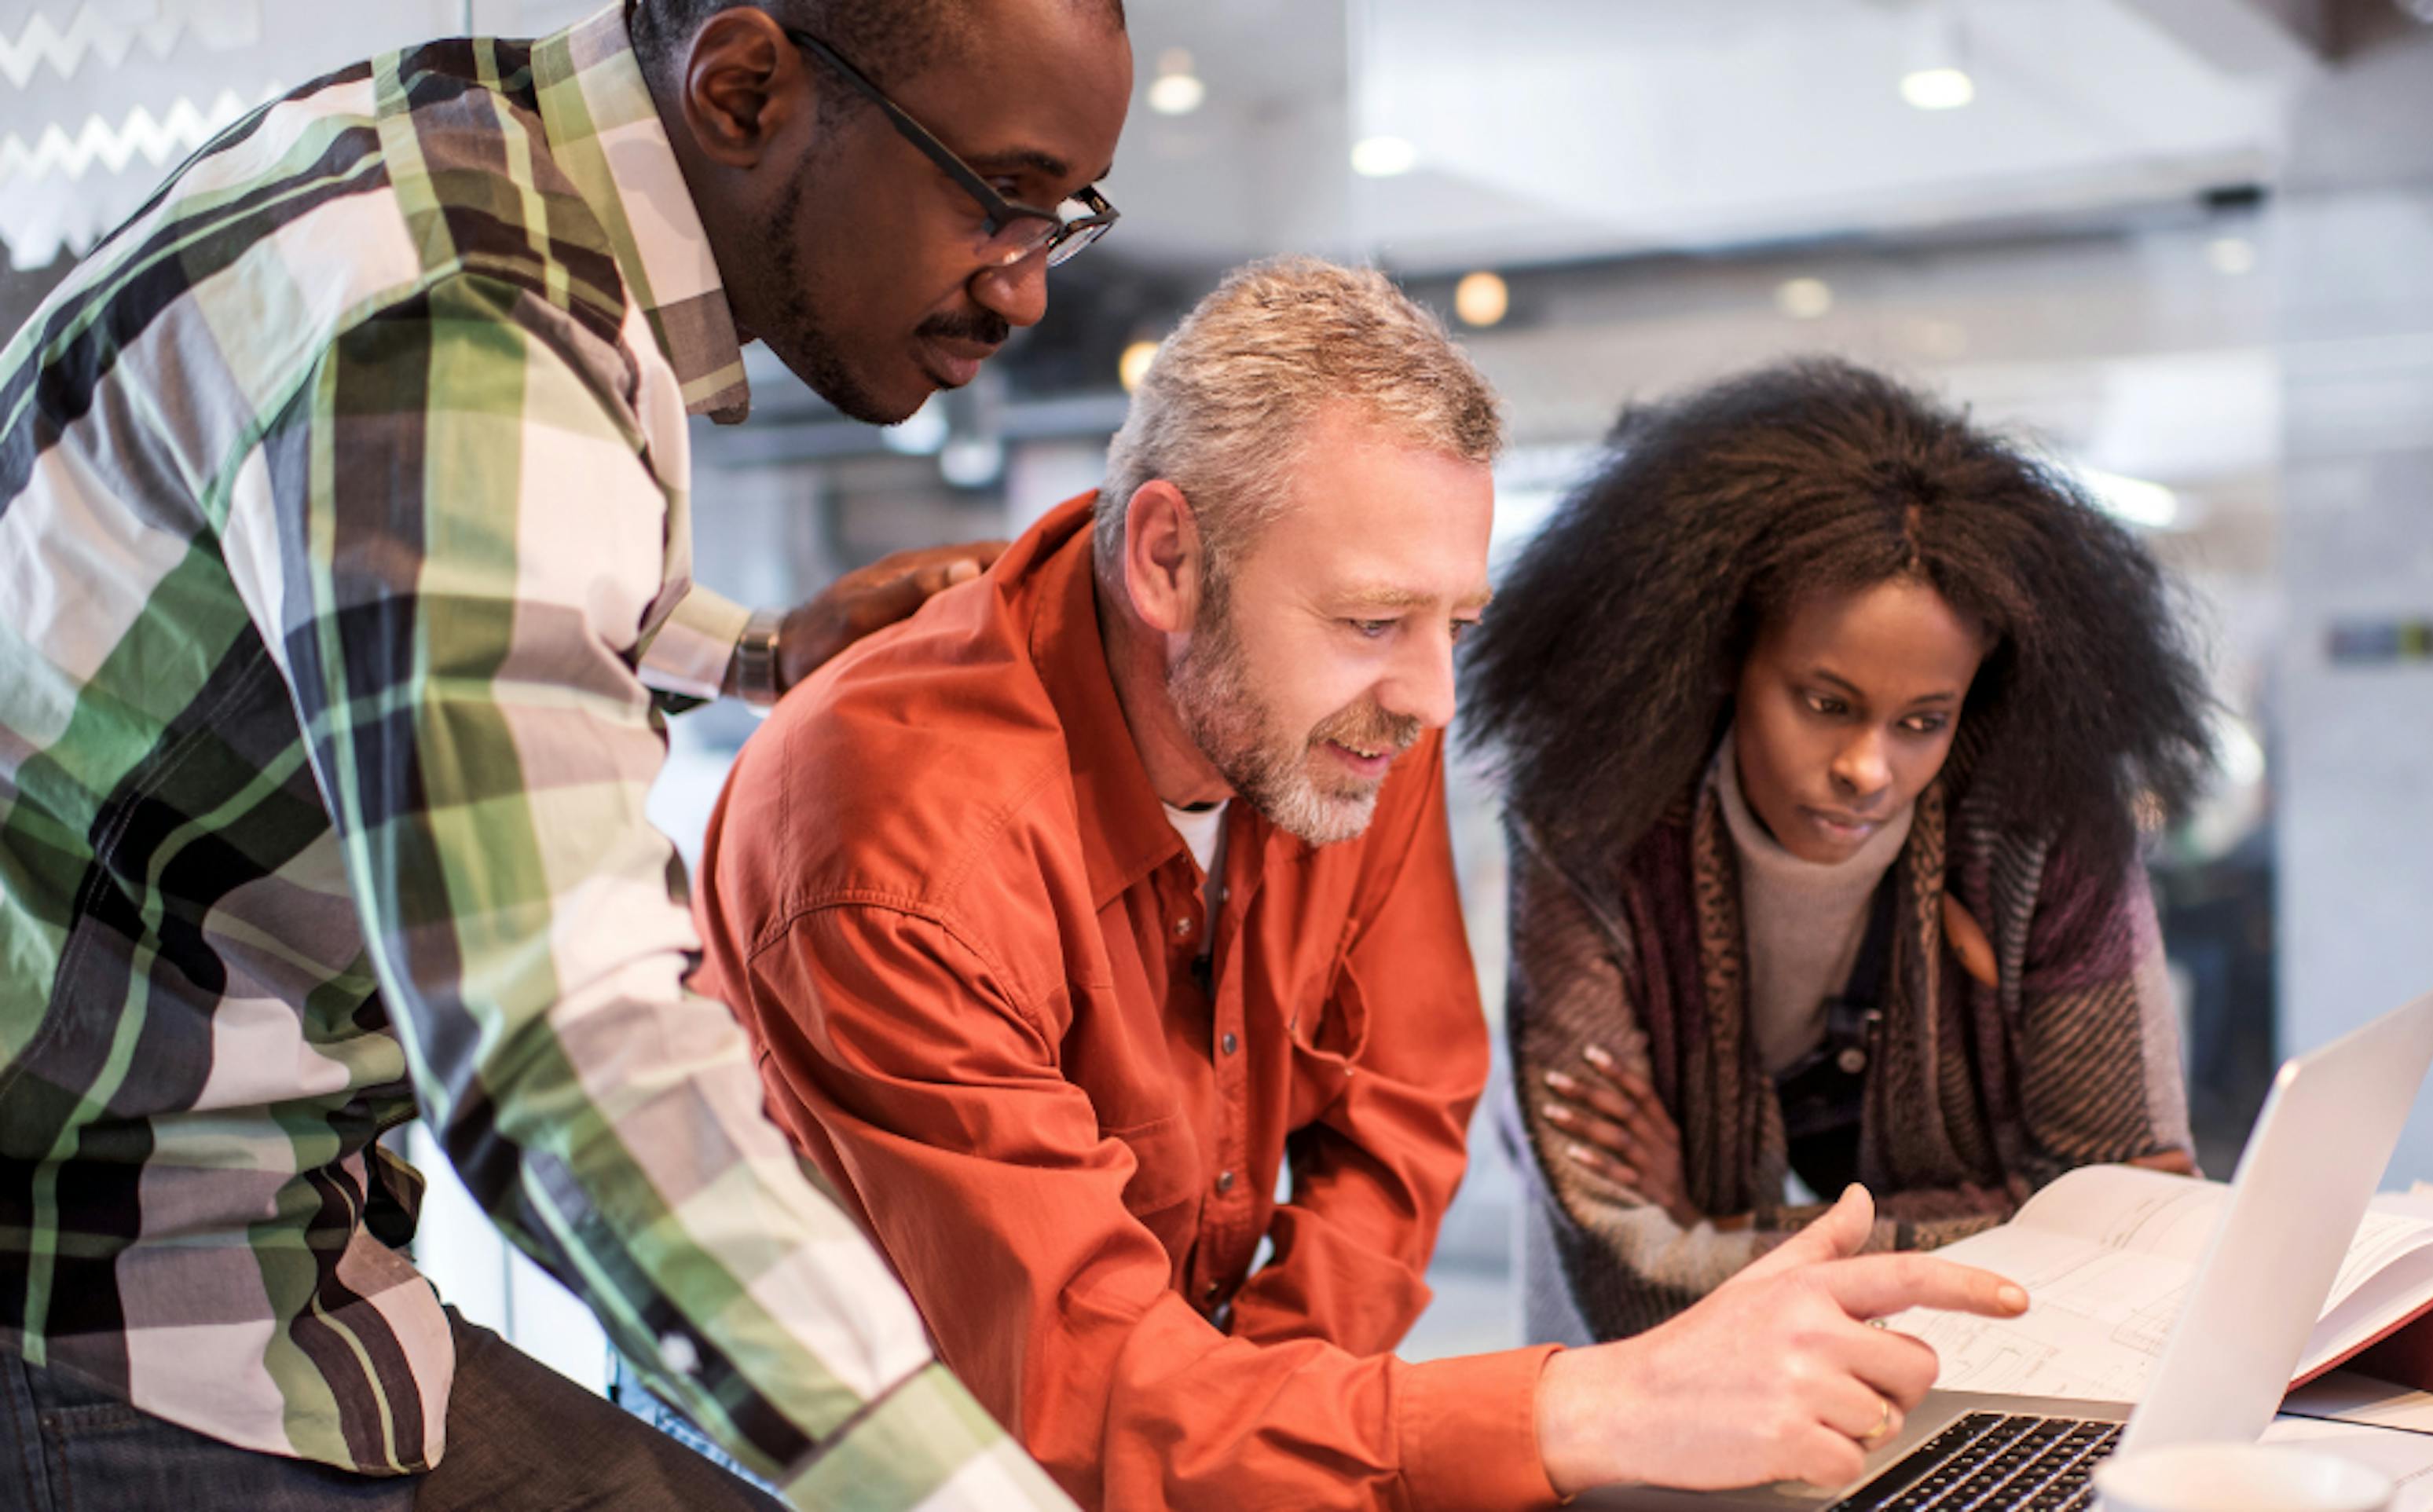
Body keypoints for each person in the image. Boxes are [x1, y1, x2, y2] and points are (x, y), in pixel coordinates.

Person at [0, 0, 1134, 1505]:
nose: (1026, 289)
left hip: (247, 1230)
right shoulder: (469, 322)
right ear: (741, 90)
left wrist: (755, 655)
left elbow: (384, 572)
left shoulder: (444, 149)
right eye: (999, 199)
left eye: (1063, 221)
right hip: (110, 1291)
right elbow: (569, 1058)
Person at [689, 258, 2029, 1510]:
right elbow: (1070, 1387)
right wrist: (1587, 1409)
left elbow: (1401, 1104)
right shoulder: (893, 851)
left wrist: (1261, 1427)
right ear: (1167, 561)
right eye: (1374, 622)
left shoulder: (1323, 717)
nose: (1431, 700)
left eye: (1454, 626)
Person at [1457, 359, 2214, 1343]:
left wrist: (1713, 1227)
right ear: (1727, 652)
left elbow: (2130, 1235)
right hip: (1660, 1405)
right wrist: (2018, 1214)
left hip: (1989, 1379)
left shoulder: (2045, 818)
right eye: (1825, 704)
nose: (1869, 767)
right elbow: (1626, 1278)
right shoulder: (1594, 816)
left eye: (1922, 720)